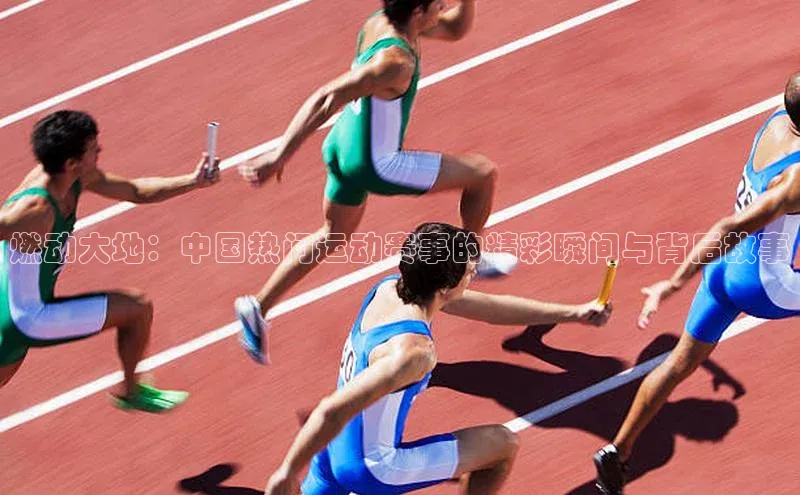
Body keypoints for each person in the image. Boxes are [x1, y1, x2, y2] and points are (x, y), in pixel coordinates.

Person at [235, 0, 517, 364]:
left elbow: (457, 29)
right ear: (418, 12)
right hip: (377, 164)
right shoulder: (396, 62)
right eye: (439, 4)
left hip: (343, 145)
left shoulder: (383, 23)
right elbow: (326, 97)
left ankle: (257, 307)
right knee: (482, 174)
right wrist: (280, 154)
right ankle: (468, 258)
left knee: (332, 234)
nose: (443, 8)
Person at [262, 222, 612, 494]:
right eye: (469, 271)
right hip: (374, 465)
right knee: (503, 444)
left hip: (333, 448)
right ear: (444, 287)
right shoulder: (414, 352)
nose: (475, 272)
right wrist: (285, 472)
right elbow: (329, 409)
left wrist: (575, 313)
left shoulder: (388, 290)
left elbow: (491, 309)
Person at [593, 73, 800, 494]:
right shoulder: (796, 180)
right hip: (763, 282)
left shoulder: (776, 120)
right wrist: (671, 283)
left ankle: (617, 451)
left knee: (677, 365)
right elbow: (729, 226)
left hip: (723, 272)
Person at [0, 110, 220, 412]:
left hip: (12, 299)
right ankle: (130, 392)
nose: (100, 151)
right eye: (93, 149)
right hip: (29, 317)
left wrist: (193, 181)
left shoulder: (76, 177)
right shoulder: (36, 209)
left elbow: (135, 191)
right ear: (71, 163)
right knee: (137, 308)